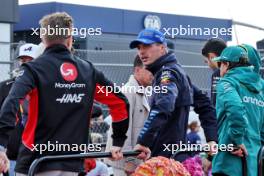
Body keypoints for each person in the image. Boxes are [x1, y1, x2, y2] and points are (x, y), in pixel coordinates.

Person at [0, 12, 148, 175]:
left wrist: (1, 145)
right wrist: (118, 143)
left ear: (43, 38)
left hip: (36, 162)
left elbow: (12, 102)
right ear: (70, 38)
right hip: (72, 163)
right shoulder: (88, 72)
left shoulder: (34, 70)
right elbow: (119, 102)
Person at [130, 28, 217, 161]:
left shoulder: (168, 73)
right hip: (173, 157)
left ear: (162, 47)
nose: (141, 51)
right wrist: (212, 138)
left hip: (166, 160)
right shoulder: (175, 71)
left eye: (147, 46)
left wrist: (143, 141)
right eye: (139, 47)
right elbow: (205, 104)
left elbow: (163, 105)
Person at [211, 46, 264, 176]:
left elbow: (236, 109)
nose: (220, 70)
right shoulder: (259, 90)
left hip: (229, 163)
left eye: (220, 64)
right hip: (253, 164)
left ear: (227, 64)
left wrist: (237, 140)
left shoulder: (226, 83)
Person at [105, 55, 153, 175]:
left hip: (135, 160)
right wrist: (129, 160)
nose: (153, 74)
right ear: (137, 70)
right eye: (150, 70)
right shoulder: (128, 92)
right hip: (125, 164)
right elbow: (123, 130)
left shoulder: (142, 91)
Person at [0, 43, 42, 176]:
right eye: (23, 61)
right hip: (12, 156)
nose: (26, 64)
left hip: (41, 156)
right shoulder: (4, 87)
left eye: (31, 61)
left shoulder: (48, 86)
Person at [201, 38, 227, 106]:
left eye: (206, 61)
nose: (208, 65)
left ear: (212, 56)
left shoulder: (218, 74)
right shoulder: (237, 70)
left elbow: (215, 103)